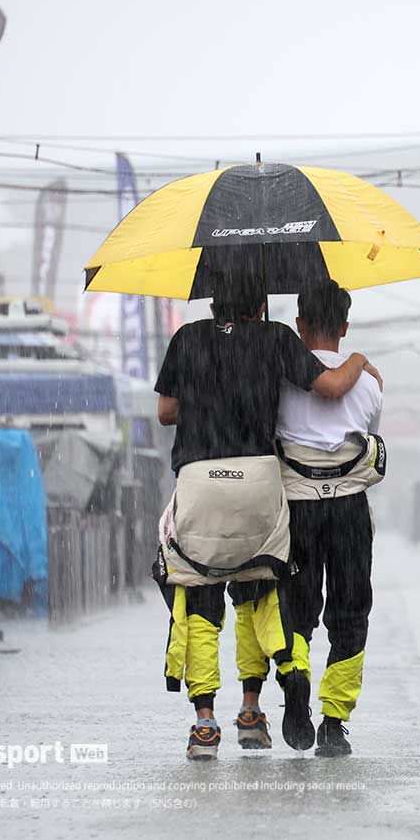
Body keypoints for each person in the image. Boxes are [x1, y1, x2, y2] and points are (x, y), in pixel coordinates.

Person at [153, 277, 380, 760]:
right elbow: (336, 390)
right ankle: (293, 715)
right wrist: (359, 360)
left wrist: (209, 386)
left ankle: (208, 719)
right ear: (262, 304)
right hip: (291, 493)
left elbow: (166, 412)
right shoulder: (279, 344)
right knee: (287, 597)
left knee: (209, 596)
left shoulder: (188, 338)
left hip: (215, 484)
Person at [268, 279, 383, 757]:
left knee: (296, 608)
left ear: (298, 325)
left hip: (296, 511)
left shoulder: (280, 377)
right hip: (350, 513)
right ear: (344, 326)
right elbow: (368, 433)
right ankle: (334, 722)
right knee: (350, 611)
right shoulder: (368, 382)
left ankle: (296, 678)